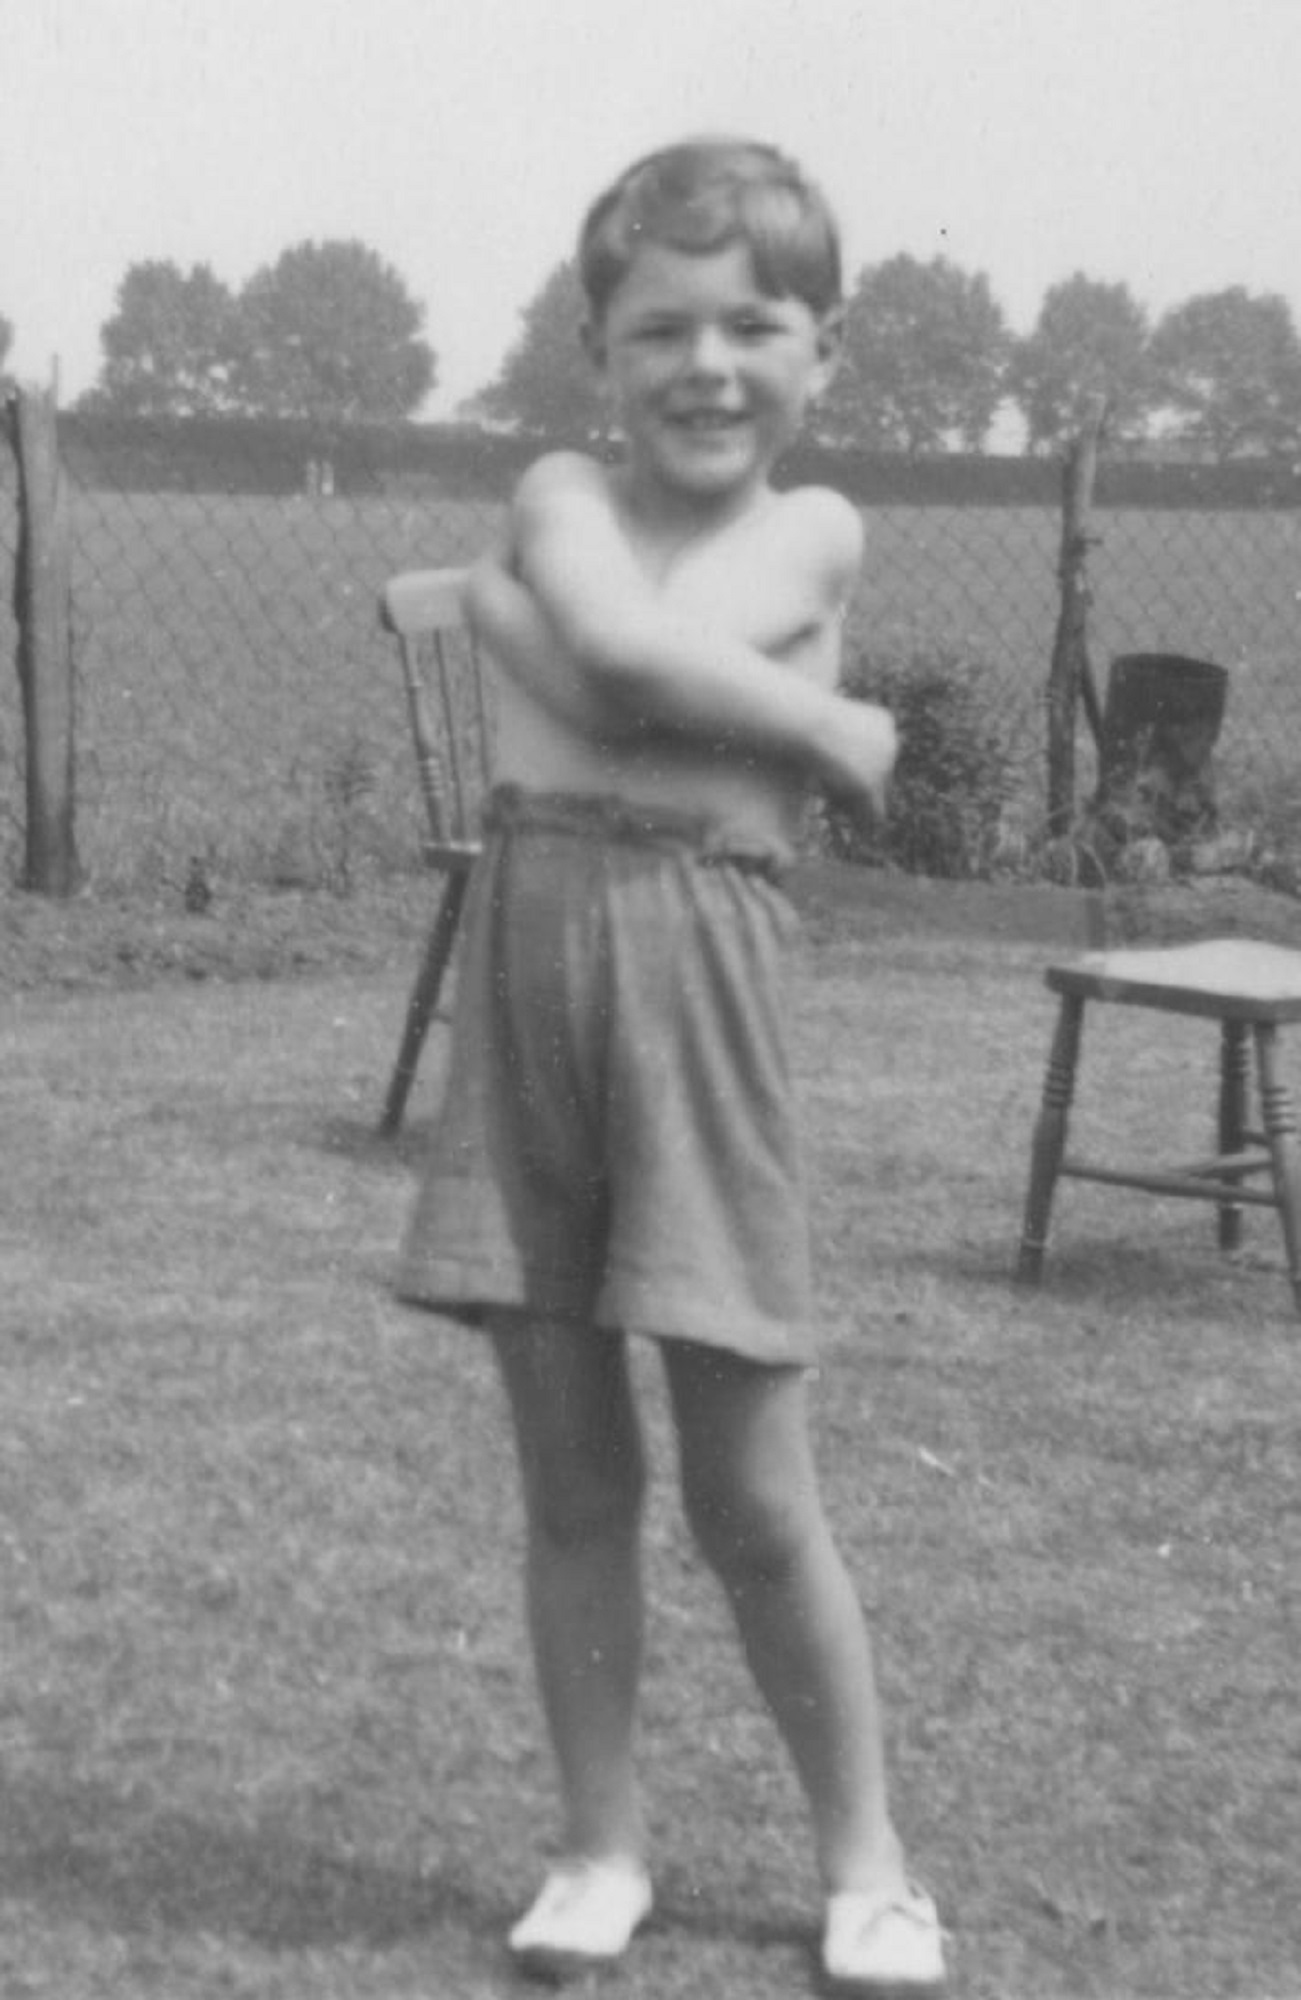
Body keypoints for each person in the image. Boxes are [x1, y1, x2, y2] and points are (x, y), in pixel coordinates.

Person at [397, 136, 946, 1997]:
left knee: (747, 1490)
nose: (706, 365)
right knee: (568, 1473)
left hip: (701, 982)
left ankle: (868, 1864)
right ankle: (597, 1846)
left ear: (822, 355)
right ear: (594, 351)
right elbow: (631, 670)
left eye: (753, 325)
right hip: (534, 970)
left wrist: (509, 619)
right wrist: (833, 724)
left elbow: (615, 673)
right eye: (660, 330)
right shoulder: (560, 482)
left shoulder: (816, 527)